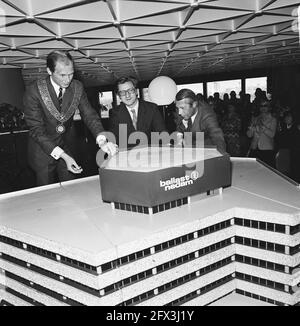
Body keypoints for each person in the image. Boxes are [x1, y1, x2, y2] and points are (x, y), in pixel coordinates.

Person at [23, 50, 118, 186]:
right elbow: (36, 130)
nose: (67, 79)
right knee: (46, 193)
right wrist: (63, 156)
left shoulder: (77, 87)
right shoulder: (34, 91)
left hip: (67, 143)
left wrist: (102, 140)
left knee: (71, 187)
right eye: (62, 75)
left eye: (71, 74)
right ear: (49, 71)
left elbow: (89, 115)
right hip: (42, 150)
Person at [109, 76, 166, 149]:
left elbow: (162, 133)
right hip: (127, 156)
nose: (127, 95)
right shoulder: (114, 113)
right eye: (122, 92)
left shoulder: (152, 108)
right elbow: (114, 139)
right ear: (119, 96)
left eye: (130, 90)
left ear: (136, 91)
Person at [174, 89, 226, 153]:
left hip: (207, 149)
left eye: (182, 108)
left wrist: (221, 157)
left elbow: (217, 136)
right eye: (177, 108)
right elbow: (179, 127)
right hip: (190, 148)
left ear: (194, 104)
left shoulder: (207, 115)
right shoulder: (181, 110)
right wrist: (179, 138)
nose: (179, 112)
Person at [247, 99, 277, 167]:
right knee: (253, 170)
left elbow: (272, 135)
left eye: (265, 105)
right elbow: (249, 135)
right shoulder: (255, 118)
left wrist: (263, 127)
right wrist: (251, 130)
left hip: (266, 149)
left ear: (269, 107)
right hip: (254, 147)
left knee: (267, 171)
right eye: (261, 106)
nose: (263, 107)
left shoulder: (273, 119)